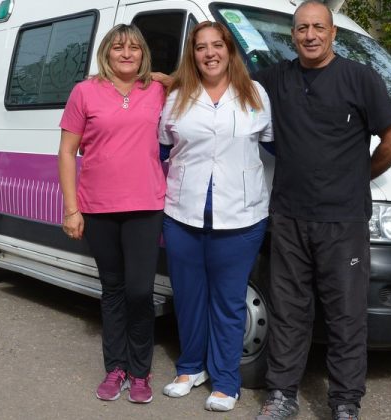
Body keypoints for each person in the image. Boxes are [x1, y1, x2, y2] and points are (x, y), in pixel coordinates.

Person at [252, 1, 391, 419]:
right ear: (294, 35)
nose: (309, 36)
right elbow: (220, 81)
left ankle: (344, 403)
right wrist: (164, 81)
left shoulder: (360, 78)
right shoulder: (277, 78)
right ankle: (282, 395)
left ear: (332, 32)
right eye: (302, 28)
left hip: (343, 222)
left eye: (318, 27)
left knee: (346, 315)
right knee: (288, 311)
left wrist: (359, 176)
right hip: (288, 216)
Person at [158, 21, 273, 412]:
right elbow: (162, 149)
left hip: (241, 217)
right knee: (188, 297)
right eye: (201, 47)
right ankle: (191, 368)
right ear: (193, 55)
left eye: (217, 45)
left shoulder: (255, 94)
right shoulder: (177, 98)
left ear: (230, 50)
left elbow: (272, 147)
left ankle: (226, 380)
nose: (210, 53)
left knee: (228, 302)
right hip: (182, 214)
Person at [58, 24, 165, 404]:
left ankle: (141, 371)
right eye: (118, 47)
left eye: (134, 48)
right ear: (106, 52)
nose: (126, 53)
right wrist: (72, 209)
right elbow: (67, 152)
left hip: (145, 207)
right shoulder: (84, 92)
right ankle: (116, 368)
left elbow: (192, 79)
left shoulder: (157, 90)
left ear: (143, 55)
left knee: (139, 292)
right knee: (113, 291)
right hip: (98, 209)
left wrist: (161, 75)